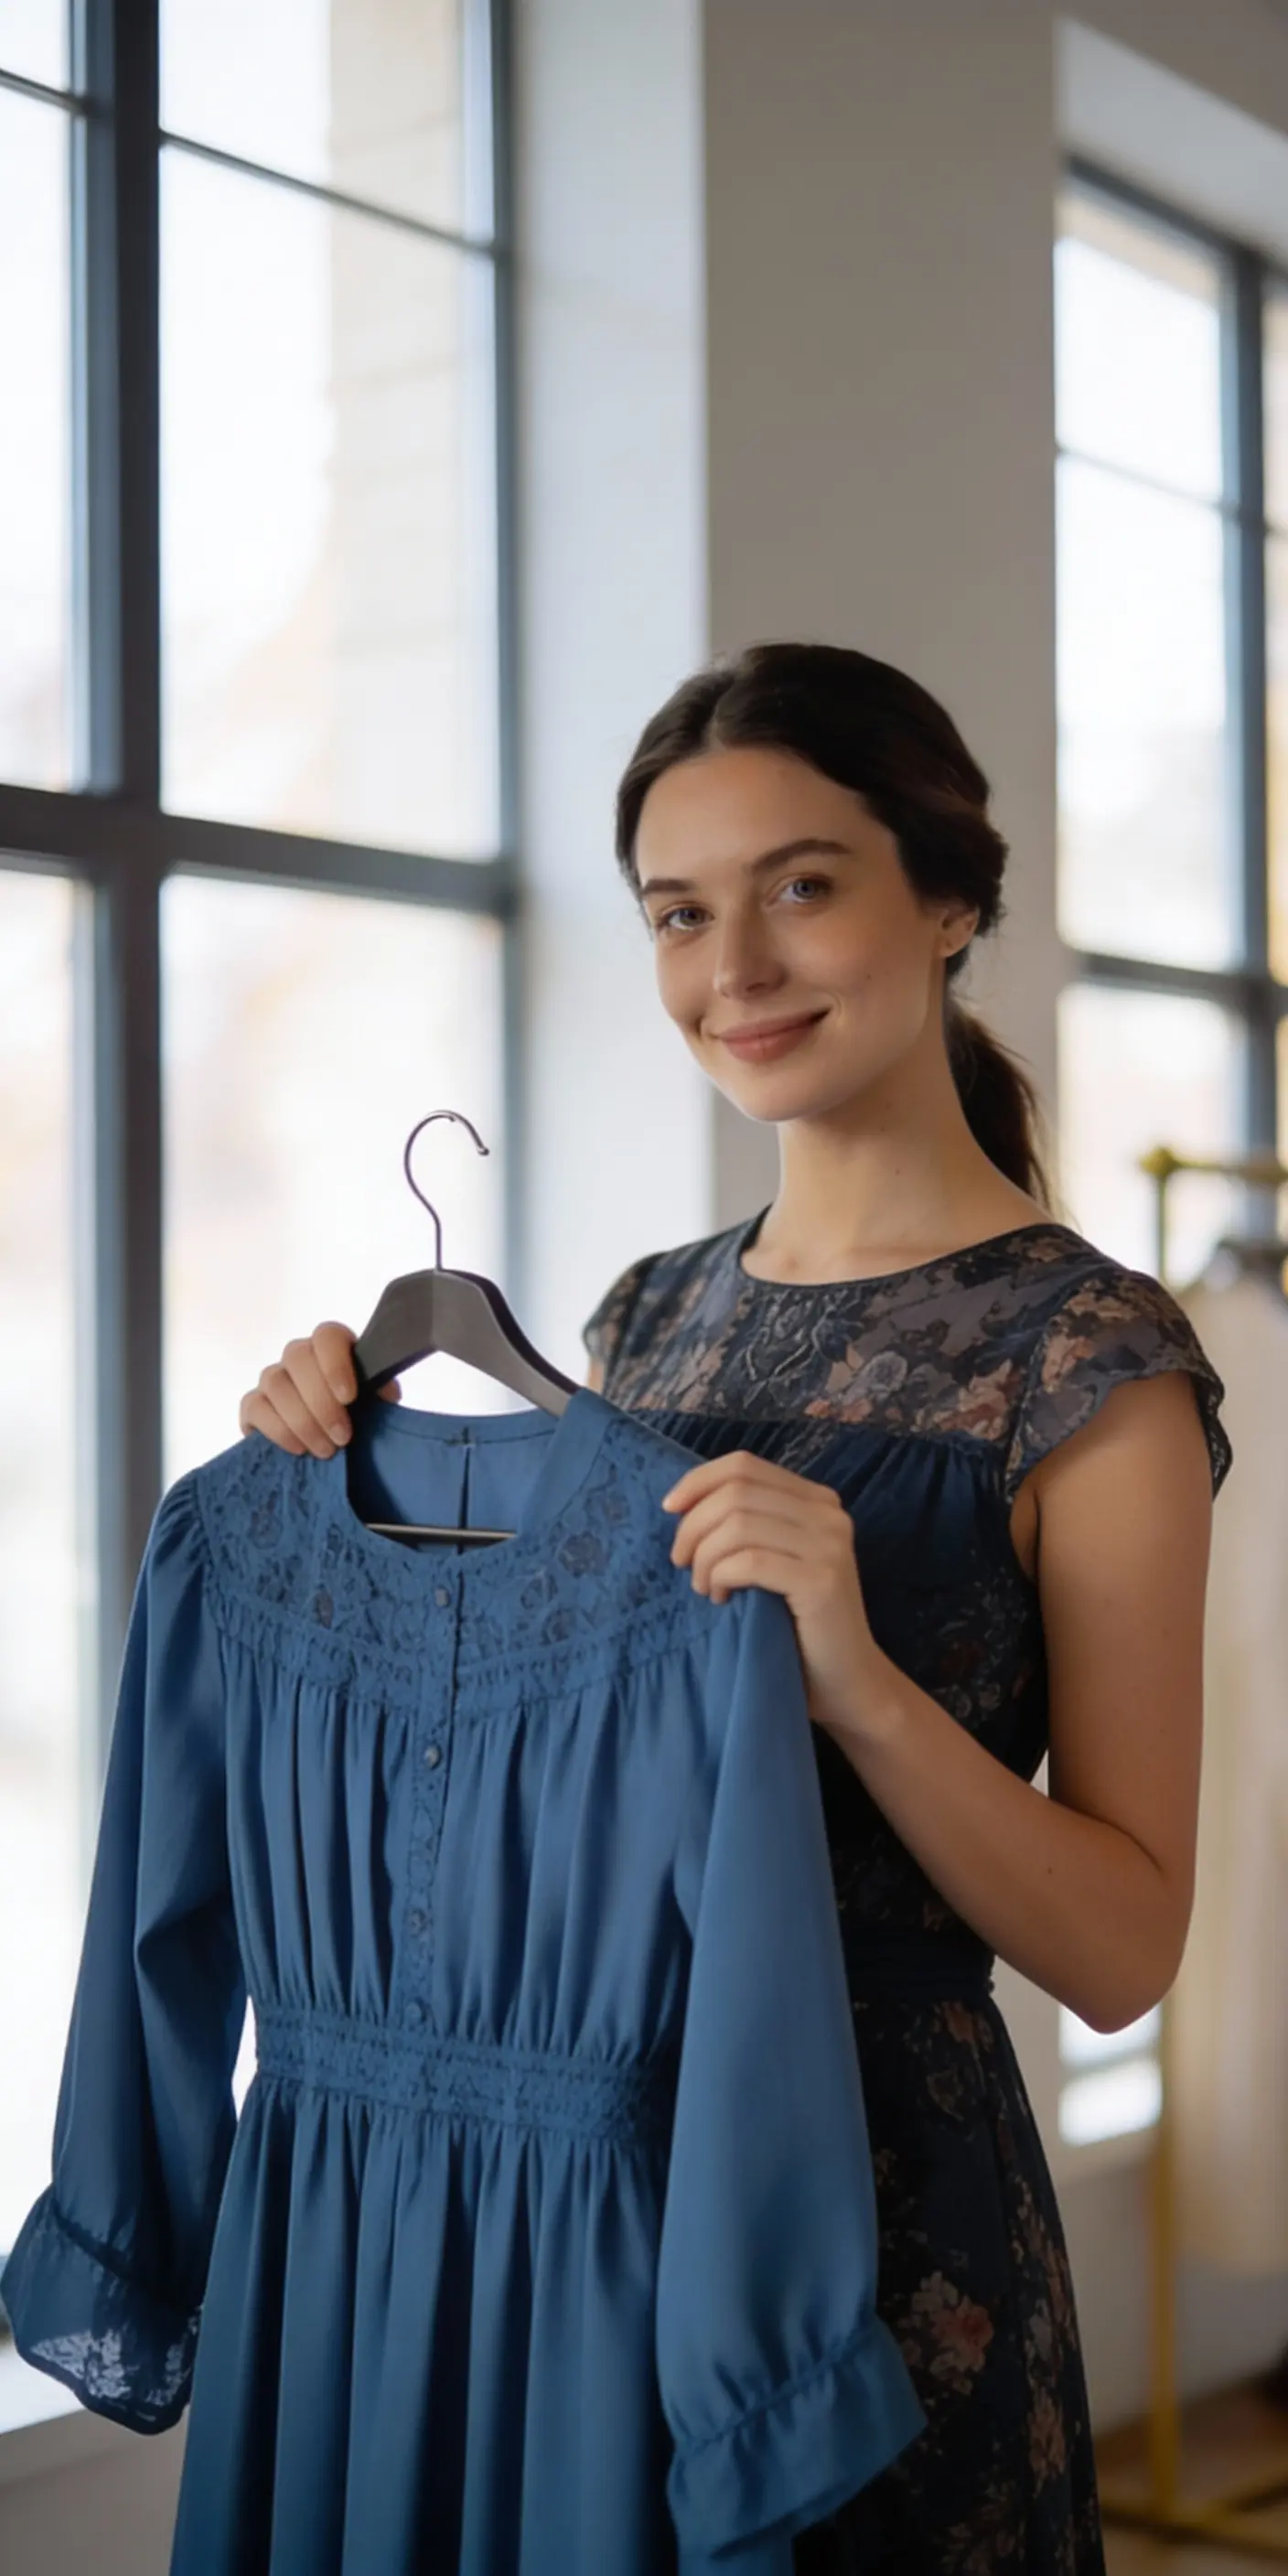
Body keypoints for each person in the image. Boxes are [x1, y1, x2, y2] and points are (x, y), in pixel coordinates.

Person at [239, 641, 1229, 2575]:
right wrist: (335, 1465)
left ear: (946, 896)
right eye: (677, 915)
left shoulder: (1085, 1359)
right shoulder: (641, 1315)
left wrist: (854, 1678)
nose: (734, 970)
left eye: (800, 885)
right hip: (596, 2191)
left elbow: (1121, 1947)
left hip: (884, 2220)